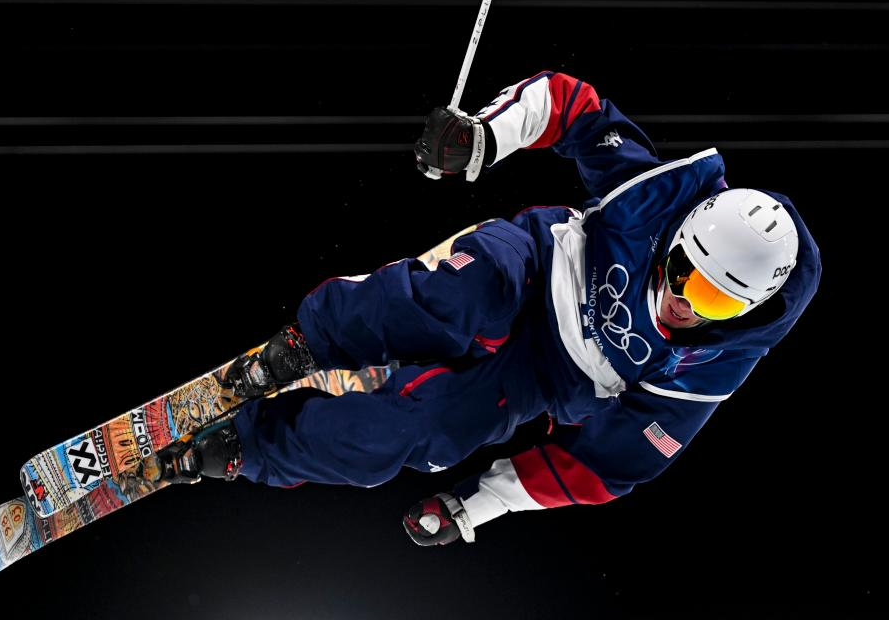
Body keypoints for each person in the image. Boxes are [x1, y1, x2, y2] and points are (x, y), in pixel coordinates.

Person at [160, 70, 821, 546]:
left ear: (747, 306)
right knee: (461, 296)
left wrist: (474, 506)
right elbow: (570, 104)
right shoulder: (653, 199)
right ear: (678, 236)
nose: (678, 298)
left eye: (711, 298)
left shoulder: (712, 368)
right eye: (679, 269)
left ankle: (250, 447)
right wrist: (485, 138)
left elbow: (608, 465)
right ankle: (318, 340)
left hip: (542, 377)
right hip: (537, 266)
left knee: (416, 437)